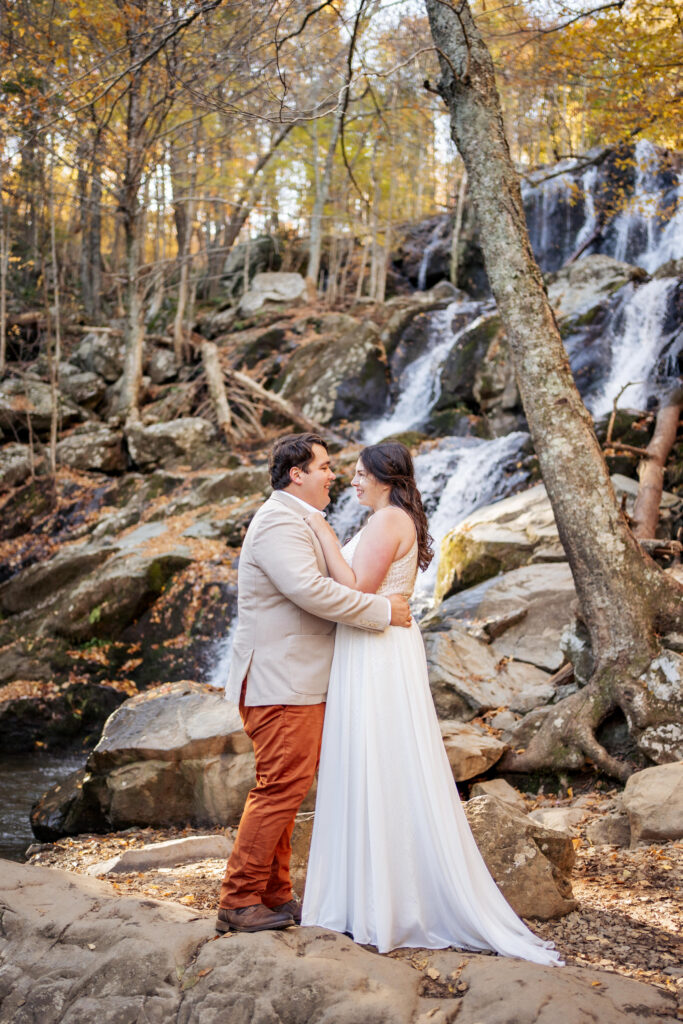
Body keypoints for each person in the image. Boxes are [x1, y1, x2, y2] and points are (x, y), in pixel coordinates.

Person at [301, 441, 562, 965]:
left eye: (358, 474)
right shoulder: (394, 518)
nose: (351, 482)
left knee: (380, 761)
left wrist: (325, 537)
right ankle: (375, 894)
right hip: (377, 645)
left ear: (383, 476)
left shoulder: (386, 522)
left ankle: (386, 903)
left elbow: (356, 592)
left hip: (375, 649)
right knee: (380, 761)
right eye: (346, 473)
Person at [216, 433, 412, 935]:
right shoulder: (278, 522)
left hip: (297, 680)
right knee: (280, 787)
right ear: (295, 474)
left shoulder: (301, 520)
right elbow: (309, 591)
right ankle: (239, 900)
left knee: (289, 786)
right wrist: (382, 611)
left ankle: (274, 896)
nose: (334, 475)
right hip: (281, 680)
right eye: (324, 466)